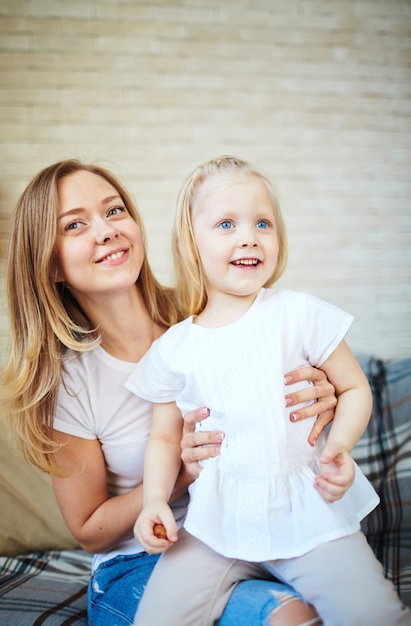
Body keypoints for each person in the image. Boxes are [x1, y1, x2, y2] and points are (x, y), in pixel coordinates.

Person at [0, 159, 341, 626]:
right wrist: (180, 474)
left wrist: (322, 388)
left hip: (251, 533)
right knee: (289, 616)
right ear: (51, 263)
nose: (106, 230)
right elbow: (89, 530)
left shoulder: (207, 311)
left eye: (114, 211)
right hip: (139, 562)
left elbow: (296, 365)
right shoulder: (68, 385)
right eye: (75, 225)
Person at [127, 155, 411, 626]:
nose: (249, 236)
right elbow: (163, 437)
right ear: (190, 244)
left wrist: (338, 446)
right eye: (226, 223)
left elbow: (356, 387)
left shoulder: (299, 313)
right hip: (216, 526)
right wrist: (155, 499)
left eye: (263, 222)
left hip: (309, 514)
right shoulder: (175, 347)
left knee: (375, 616)